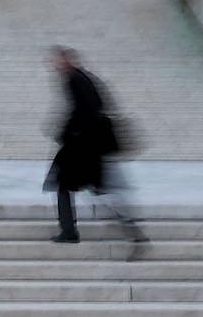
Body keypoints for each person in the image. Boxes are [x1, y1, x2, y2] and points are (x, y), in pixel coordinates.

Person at [44, 46, 144, 250]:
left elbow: (83, 110)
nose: (55, 65)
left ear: (67, 60)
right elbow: (98, 106)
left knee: (65, 186)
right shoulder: (85, 78)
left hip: (81, 147)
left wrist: (66, 132)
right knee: (94, 189)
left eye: (58, 60)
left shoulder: (74, 79)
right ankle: (132, 231)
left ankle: (70, 232)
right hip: (89, 147)